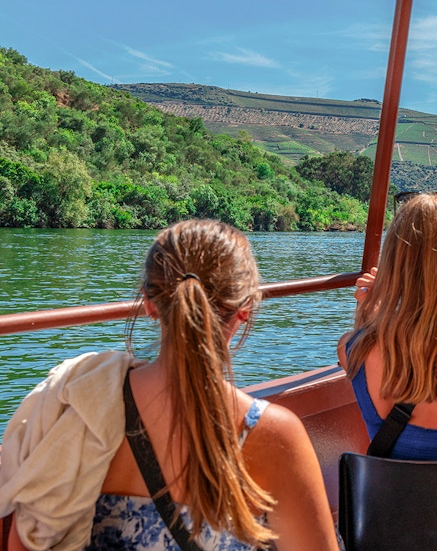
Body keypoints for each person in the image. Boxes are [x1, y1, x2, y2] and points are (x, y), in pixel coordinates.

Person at [1, 219, 339, 551]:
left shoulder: (78, 403)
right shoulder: (274, 436)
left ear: (149, 303)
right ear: (246, 308)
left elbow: (23, 539)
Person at [338, 192, 437, 460]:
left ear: (392, 262)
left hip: (386, 502)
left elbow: (367, 337)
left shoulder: (353, 348)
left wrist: (369, 309)